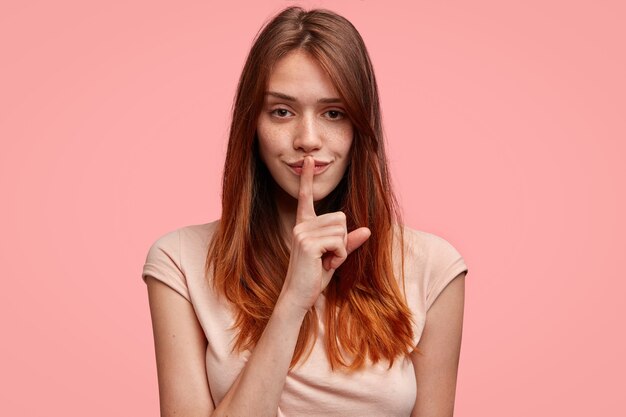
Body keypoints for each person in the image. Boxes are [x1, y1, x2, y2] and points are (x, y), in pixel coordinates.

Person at [142, 6, 468, 417]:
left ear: (360, 128)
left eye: (334, 113)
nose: (308, 139)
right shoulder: (180, 261)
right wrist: (293, 300)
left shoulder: (432, 268)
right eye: (282, 111)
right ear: (252, 124)